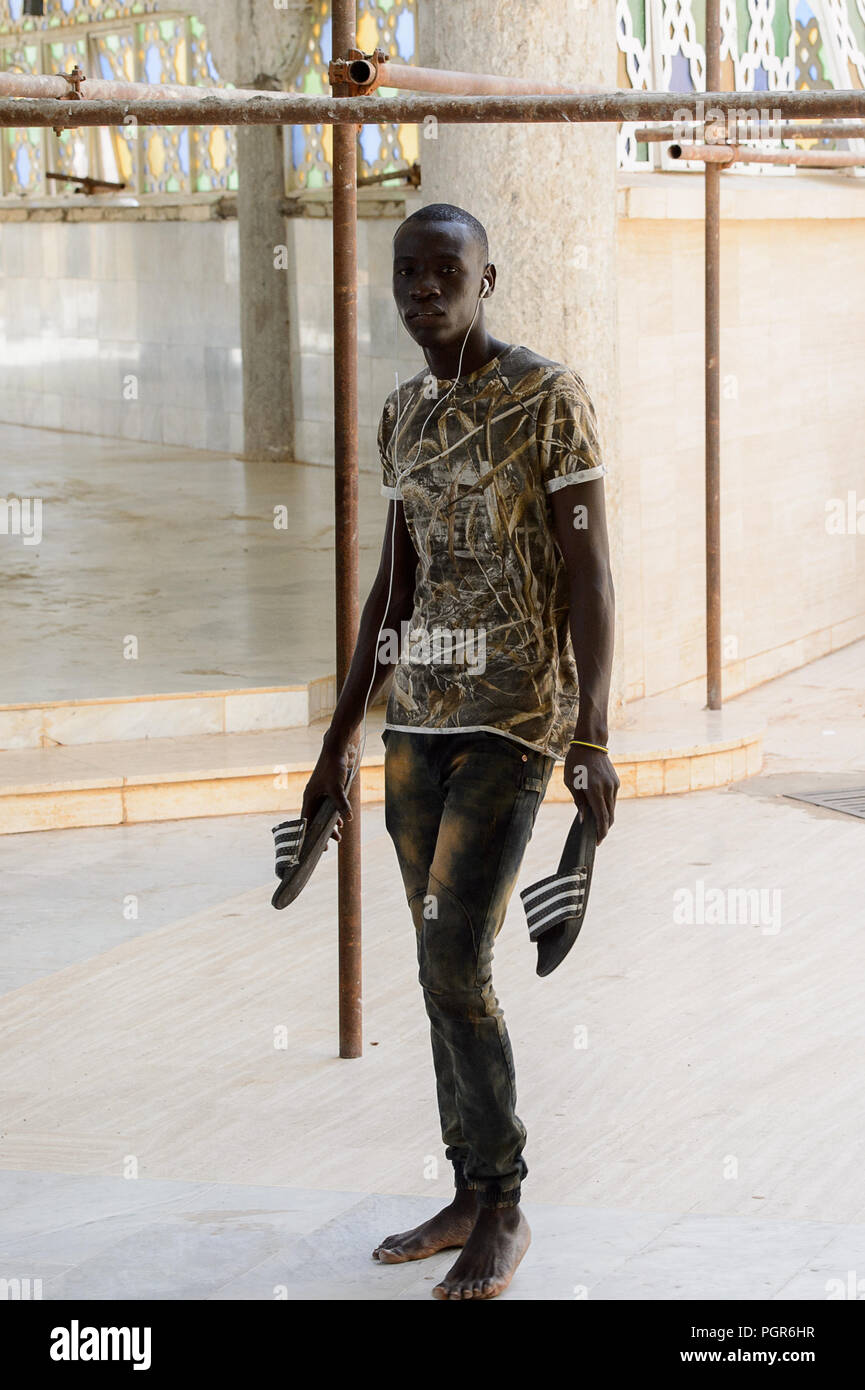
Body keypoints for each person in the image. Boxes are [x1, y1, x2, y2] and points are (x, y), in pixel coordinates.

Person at [301, 202, 618, 1300]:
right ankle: (470, 1190)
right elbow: (395, 585)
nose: (422, 289)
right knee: (442, 966)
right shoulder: (403, 415)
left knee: (452, 961)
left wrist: (594, 735)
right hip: (417, 726)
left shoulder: (547, 399)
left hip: (515, 719)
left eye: (445, 271)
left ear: (490, 278)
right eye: (407, 272)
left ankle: (508, 1197)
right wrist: (341, 735)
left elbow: (592, 577)